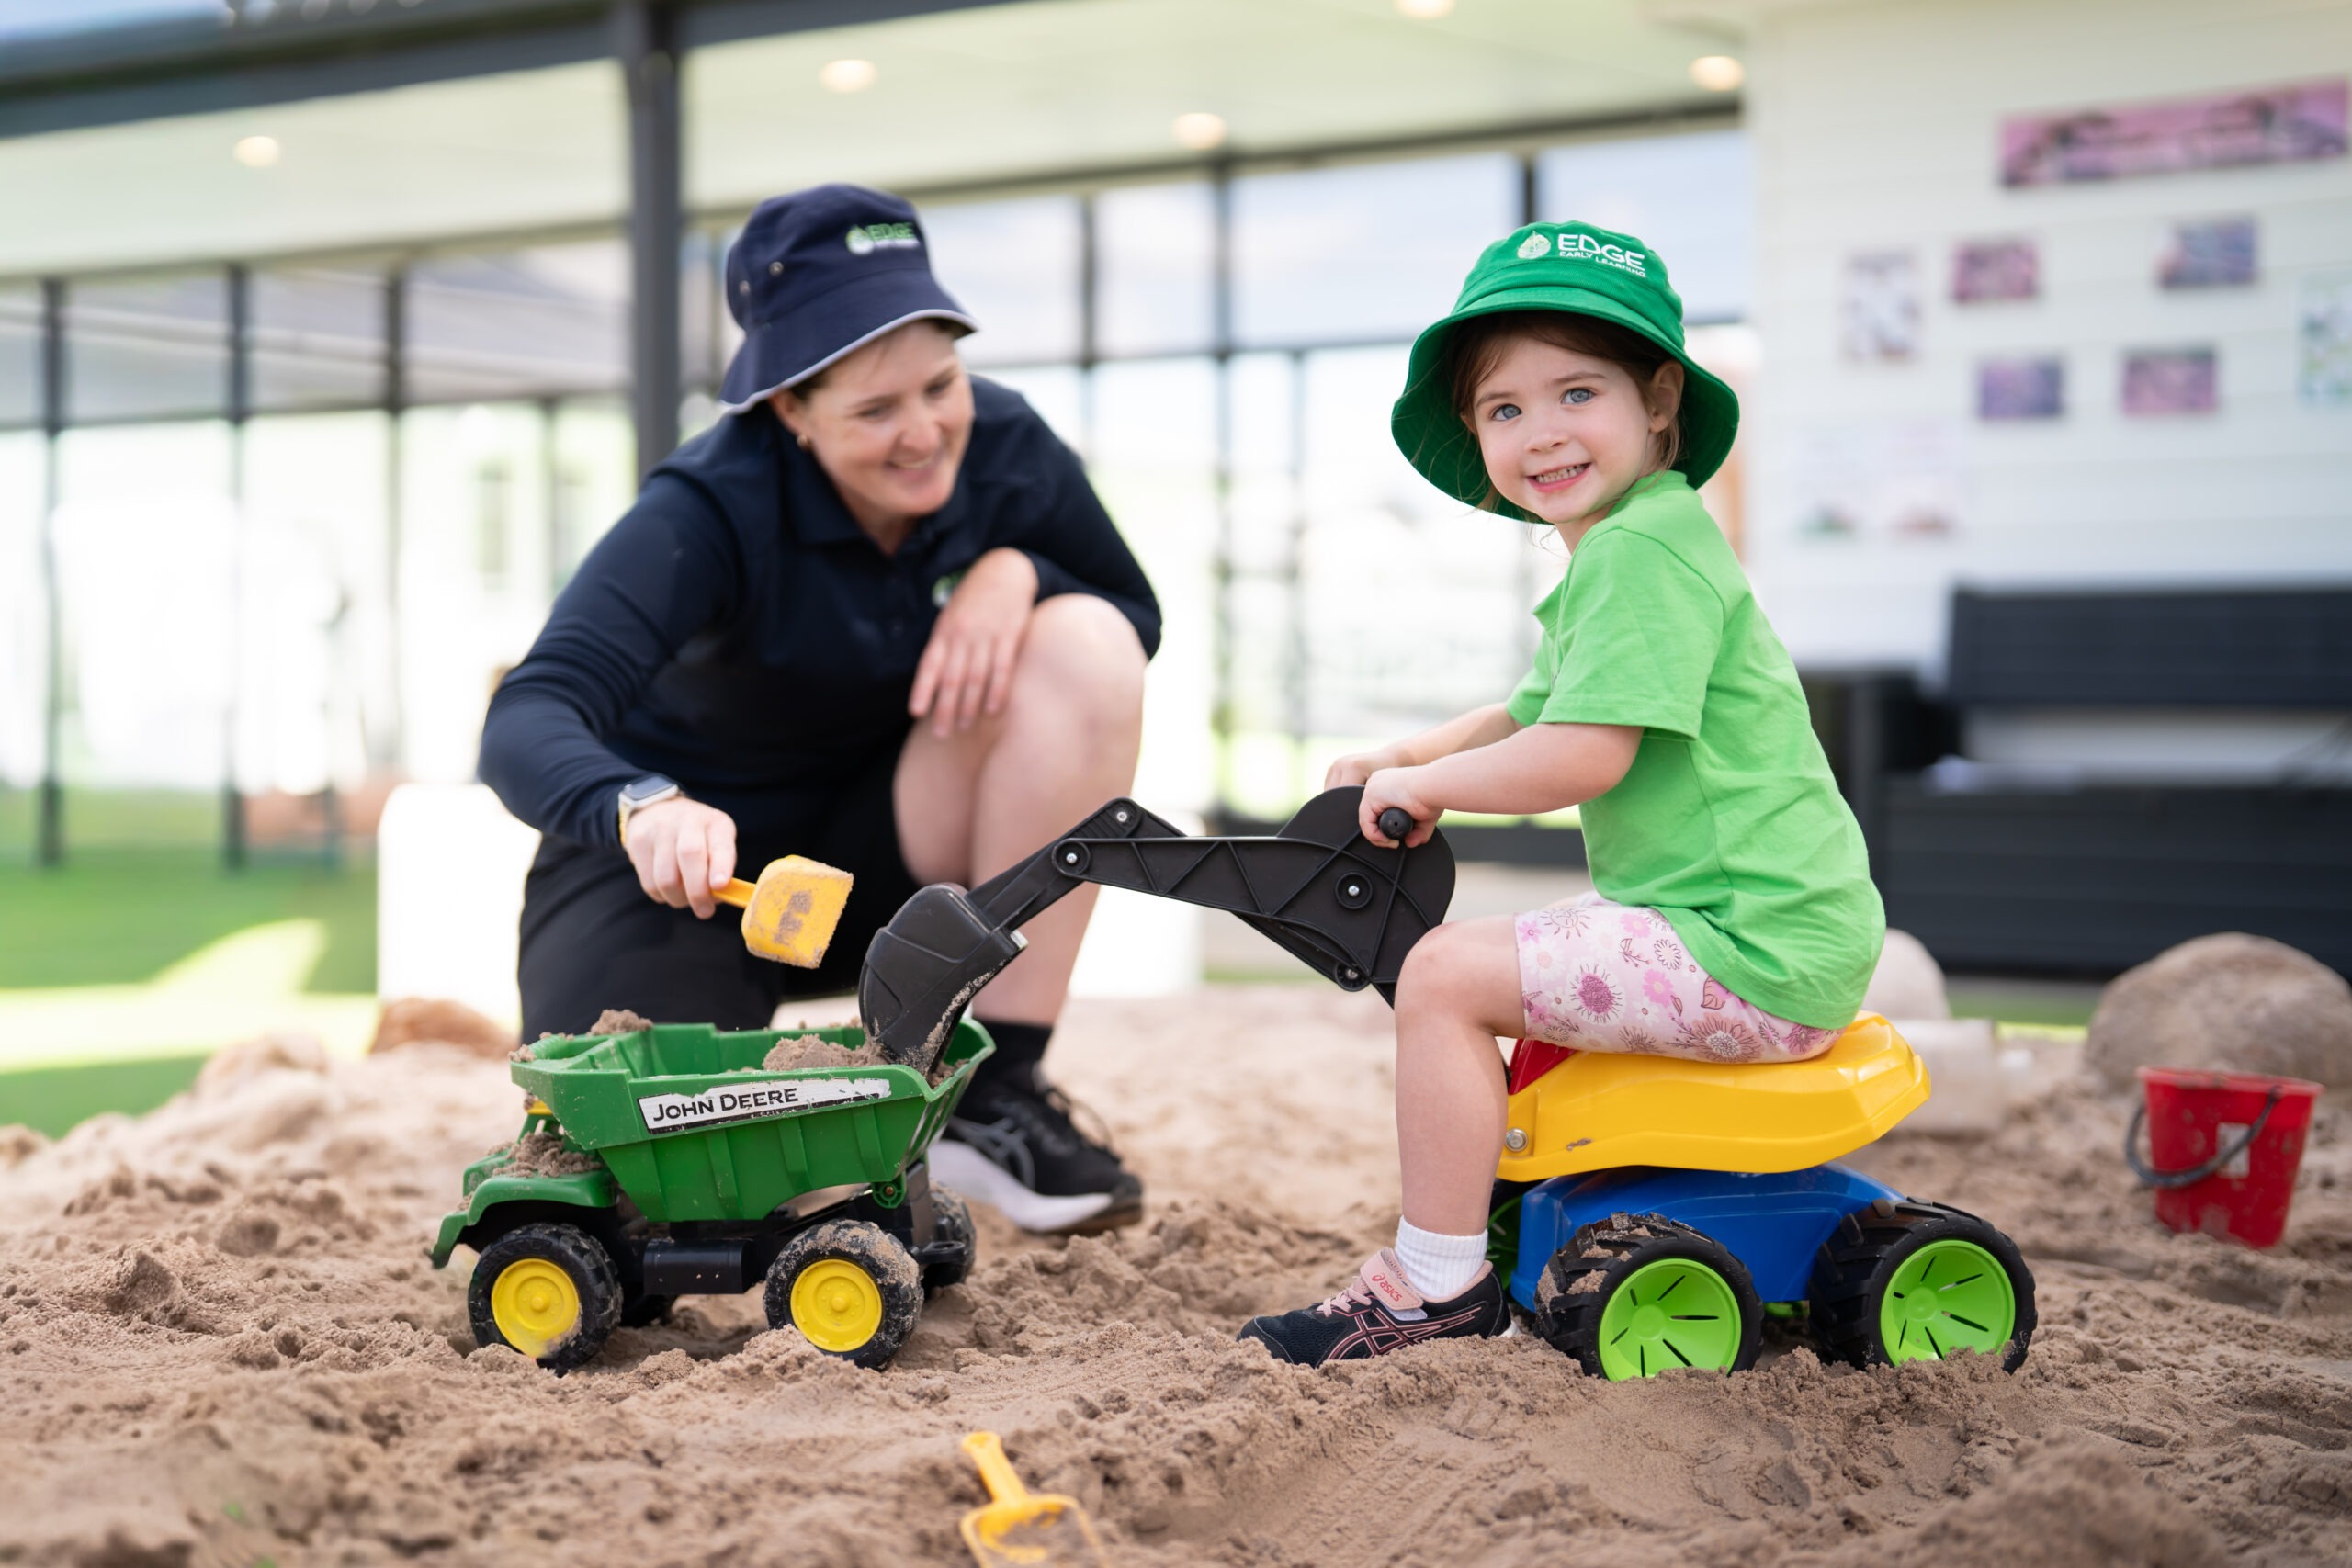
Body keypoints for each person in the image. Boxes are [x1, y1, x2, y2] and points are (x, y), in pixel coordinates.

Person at [1237, 221, 1884, 1364]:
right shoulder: (1637, 542)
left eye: (1574, 392)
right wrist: (1409, 751)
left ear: (1659, 400)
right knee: (1513, 954)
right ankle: (1487, 1210)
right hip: (1751, 924)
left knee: (1442, 975)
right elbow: (1534, 709)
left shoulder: (1640, 555)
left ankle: (1433, 1287)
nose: (1540, 435)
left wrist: (1424, 785)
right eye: (1503, 410)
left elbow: (1582, 754)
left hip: (1751, 942)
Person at [478, 184, 1159, 1235]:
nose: (925, 432)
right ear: (787, 409)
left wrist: (1020, 570)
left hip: (882, 858)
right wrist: (642, 807)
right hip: (683, 873)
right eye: (875, 410)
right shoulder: (707, 507)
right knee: (674, 1187)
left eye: (941, 385)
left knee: (1084, 641)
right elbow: (530, 711)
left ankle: (999, 1095)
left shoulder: (1008, 449)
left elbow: (1131, 616)